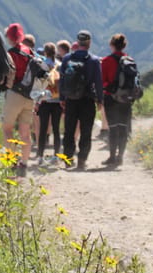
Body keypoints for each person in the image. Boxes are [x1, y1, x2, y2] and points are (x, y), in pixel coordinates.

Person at [59, 30, 103, 171]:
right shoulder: (94, 61)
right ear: (89, 43)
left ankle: (68, 160)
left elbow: (61, 80)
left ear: (77, 42)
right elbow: (98, 82)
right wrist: (100, 100)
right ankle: (82, 160)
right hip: (87, 100)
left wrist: (62, 98)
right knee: (86, 131)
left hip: (71, 99)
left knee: (69, 130)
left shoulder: (66, 59)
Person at [3, 23, 35, 177]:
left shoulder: (10, 53)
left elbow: (6, 74)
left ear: (9, 37)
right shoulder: (30, 52)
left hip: (15, 94)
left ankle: (12, 162)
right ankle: (24, 164)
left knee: (7, 129)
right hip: (29, 96)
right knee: (25, 133)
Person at [100, 33, 134, 167]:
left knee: (113, 128)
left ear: (112, 45)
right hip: (126, 98)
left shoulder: (107, 60)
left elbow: (102, 81)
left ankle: (112, 157)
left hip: (111, 98)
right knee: (124, 128)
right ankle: (120, 157)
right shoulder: (129, 60)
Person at [35, 42, 62, 166]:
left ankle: (40, 156)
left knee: (43, 129)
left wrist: (36, 101)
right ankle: (56, 156)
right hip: (57, 101)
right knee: (56, 129)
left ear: (45, 52)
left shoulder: (41, 65)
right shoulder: (60, 65)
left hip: (45, 100)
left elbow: (37, 85)